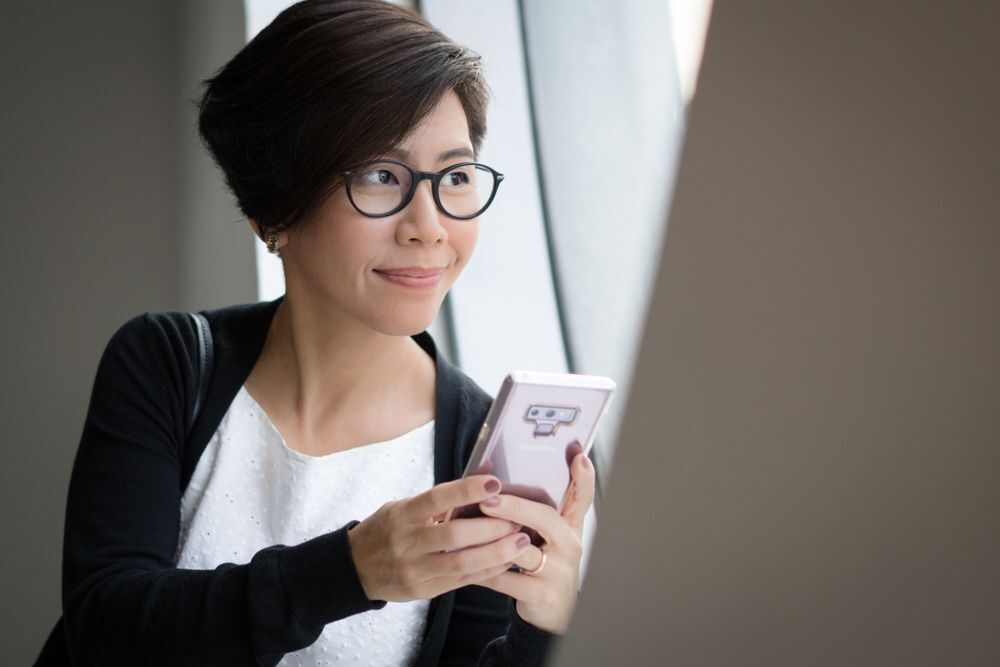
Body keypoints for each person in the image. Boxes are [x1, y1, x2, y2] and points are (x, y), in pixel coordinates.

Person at [37, 1, 595, 665]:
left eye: (455, 176)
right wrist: (353, 569)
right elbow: (107, 627)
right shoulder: (167, 363)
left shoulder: (474, 449)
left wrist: (542, 631)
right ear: (274, 209)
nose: (430, 225)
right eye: (382, 176)